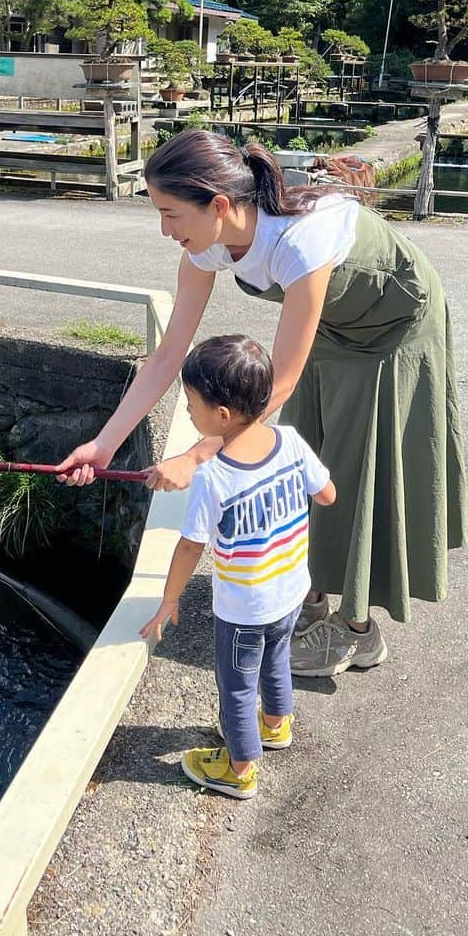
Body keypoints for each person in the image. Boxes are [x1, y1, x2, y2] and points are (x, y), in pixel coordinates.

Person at [56, 129, 468, 677]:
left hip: (393, 329)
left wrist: (196, 455)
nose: (164, 229)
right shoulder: (205, 246)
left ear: (219, 205)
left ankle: (357, 631)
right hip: (333, 326)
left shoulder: (300, 239)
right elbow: (166, 357)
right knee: (303, 449)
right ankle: (315, 594)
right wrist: (104, 444)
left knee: (352, 464)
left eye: (171, 213)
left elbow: (281, 381)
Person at [139, 335, 336, 800]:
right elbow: (327, 494)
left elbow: (190, 547)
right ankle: (276, 725)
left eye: (191, 404)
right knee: (277, 660)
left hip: (244, 609)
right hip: (290, 592)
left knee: (237, 689)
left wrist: (169, 600)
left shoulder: (215, 476)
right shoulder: (288, 440)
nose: (188, 413)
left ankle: (240, 768)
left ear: (222, 415)